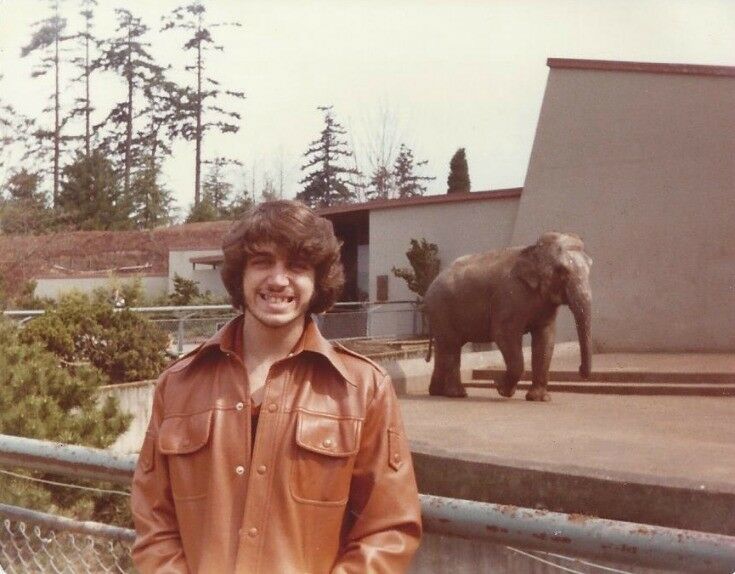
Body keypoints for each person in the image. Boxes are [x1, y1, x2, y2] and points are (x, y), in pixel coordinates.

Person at [131, 200, 422, 573]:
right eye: (262, 262)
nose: (278, 279)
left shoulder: (363, 389)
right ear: (240, 274)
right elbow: (154, 520)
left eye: (297, 266)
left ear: (317, 281)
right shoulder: (177, 384)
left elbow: (388, 529)